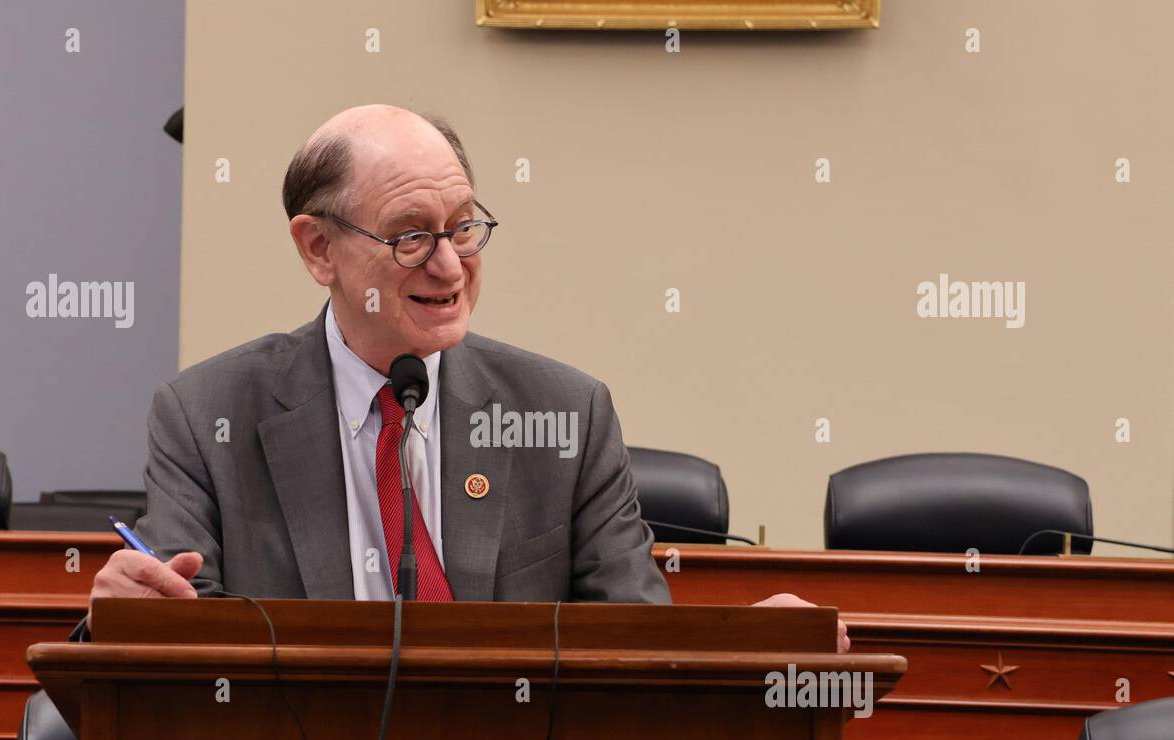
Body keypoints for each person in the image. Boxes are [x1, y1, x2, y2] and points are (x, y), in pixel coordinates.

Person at [84, 104, 848, 652]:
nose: (450, 266)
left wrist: (749, 646)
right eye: (412, 235)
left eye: (464, 228)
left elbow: (636, 646)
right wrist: (121, 617)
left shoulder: (566, 414)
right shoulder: (206, 415)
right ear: (319, 250)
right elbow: (174, 652)